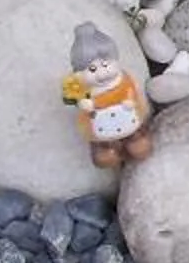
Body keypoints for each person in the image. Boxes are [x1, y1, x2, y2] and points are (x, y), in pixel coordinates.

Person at [61, 24, 154, 168]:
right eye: (92, 69)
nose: (102, 73)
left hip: (129, 122)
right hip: (102, 130)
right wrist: (83, 104)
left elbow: (132, 95)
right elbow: (75, 102)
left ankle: (134, 139)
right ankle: (108, 149)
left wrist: (130, 101)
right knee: (104, 157)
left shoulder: (124, 81)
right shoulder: (82, 89)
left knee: (140, 147)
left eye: (105, 65)